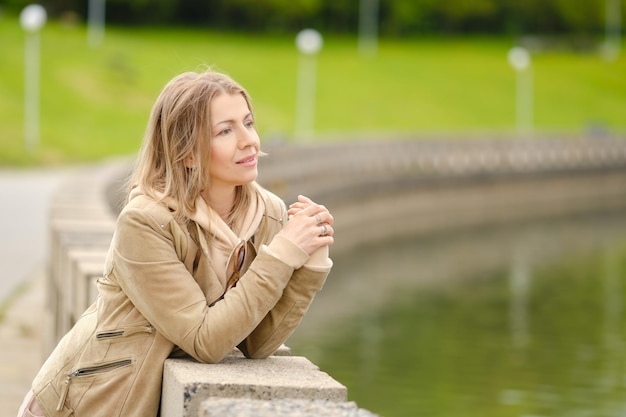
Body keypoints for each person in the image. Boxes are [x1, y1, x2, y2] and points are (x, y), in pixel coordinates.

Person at [18, 69, 334, 417]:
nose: (249, 141)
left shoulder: (268, 214)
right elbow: (206, 340)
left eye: (248, 122)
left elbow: (256, 343)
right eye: (225, 131)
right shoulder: (145, 222)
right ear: (187, 153)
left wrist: (310, 261)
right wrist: (284, 253)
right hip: (84, 405)